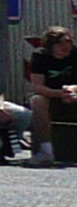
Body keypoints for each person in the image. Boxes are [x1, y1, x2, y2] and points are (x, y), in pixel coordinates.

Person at [27, 26, 76, 166]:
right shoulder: (40, 56)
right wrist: (59, 94)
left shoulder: (75, 53)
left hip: (73, 93)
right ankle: (46, 150)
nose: (66, 46)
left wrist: (71, 90)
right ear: (51, 45)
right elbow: (38, 86)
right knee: (37, 101)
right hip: (50, 95)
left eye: (68, 42)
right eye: (61, 43)